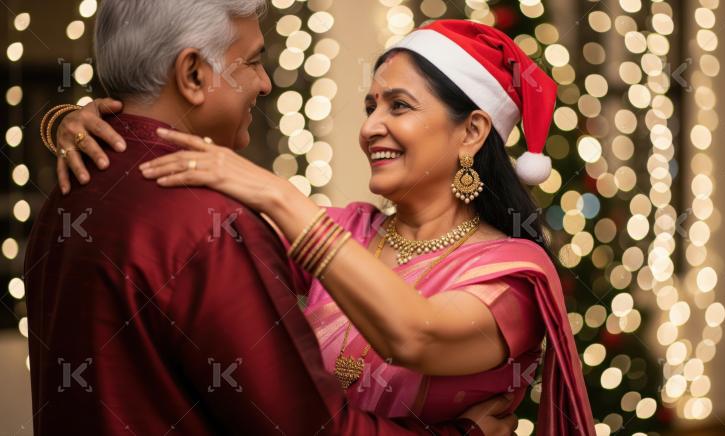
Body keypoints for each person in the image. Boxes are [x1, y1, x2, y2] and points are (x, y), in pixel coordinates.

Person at [52, 18, 596, 436]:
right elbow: (190, 225)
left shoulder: (514, 277)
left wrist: (276, 191)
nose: (370, 127)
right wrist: (74, 124)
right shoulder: (348, 231)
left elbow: (416, 334)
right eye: (369, 105)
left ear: (473, 130)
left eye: (398, 106)